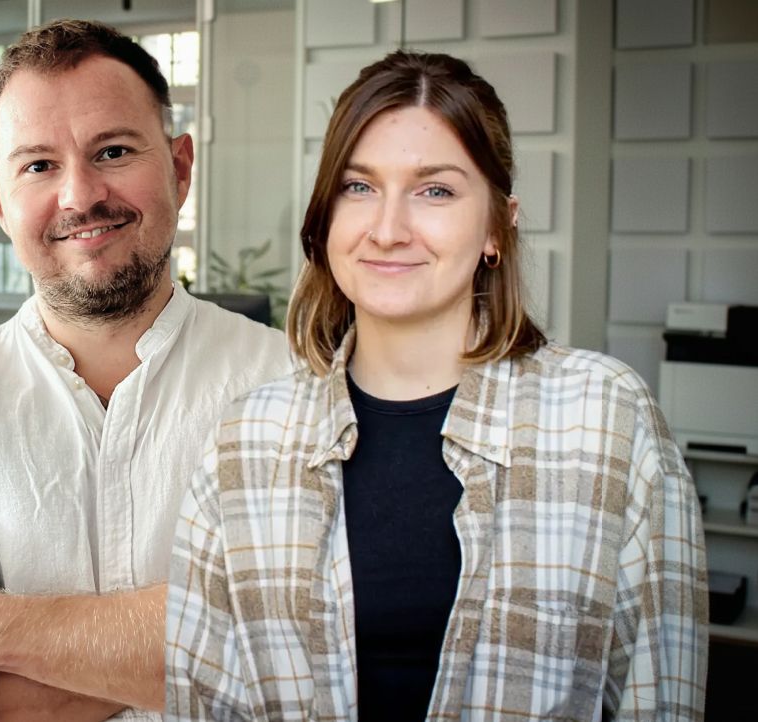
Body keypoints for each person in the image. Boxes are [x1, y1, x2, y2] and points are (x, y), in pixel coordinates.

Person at [166, 51, 708, 720]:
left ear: (496, 227)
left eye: (436, 190)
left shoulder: (608, 421)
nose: (388, 230)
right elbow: (200, 702)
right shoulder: (244, 444)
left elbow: (662, 698)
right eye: (358, 187)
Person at [0, 19, 291, 722]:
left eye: (112, 150)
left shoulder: (298, 390)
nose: (79, 196)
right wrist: (219, 642)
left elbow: (323, 652)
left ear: (180, 167)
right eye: (38, 165)